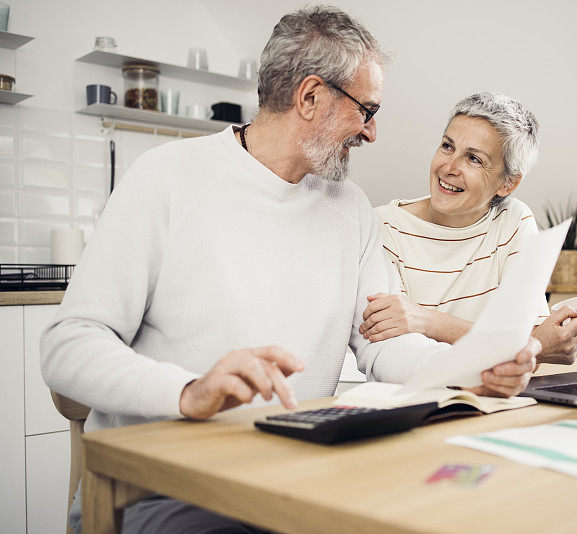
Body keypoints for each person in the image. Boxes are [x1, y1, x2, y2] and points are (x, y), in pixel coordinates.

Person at [40, 8, 539, 534]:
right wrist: (188, 392)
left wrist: (473, 367)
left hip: (299, 479)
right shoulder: (166, 179)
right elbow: (68, 344)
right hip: (163, 492)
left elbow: (382, 344)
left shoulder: (349, 207)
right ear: (310, 97)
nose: (373, 132)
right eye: (367, 110)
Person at [360, 92, 577, 364]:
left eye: (474, 159)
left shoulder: (513, 222)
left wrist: (426, 321)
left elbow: (528, 348)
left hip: (499, 395)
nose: (449, 167)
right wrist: (530, 345)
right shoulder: (384, 226)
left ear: (508, 184)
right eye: (447, 146)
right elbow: (394, 344)